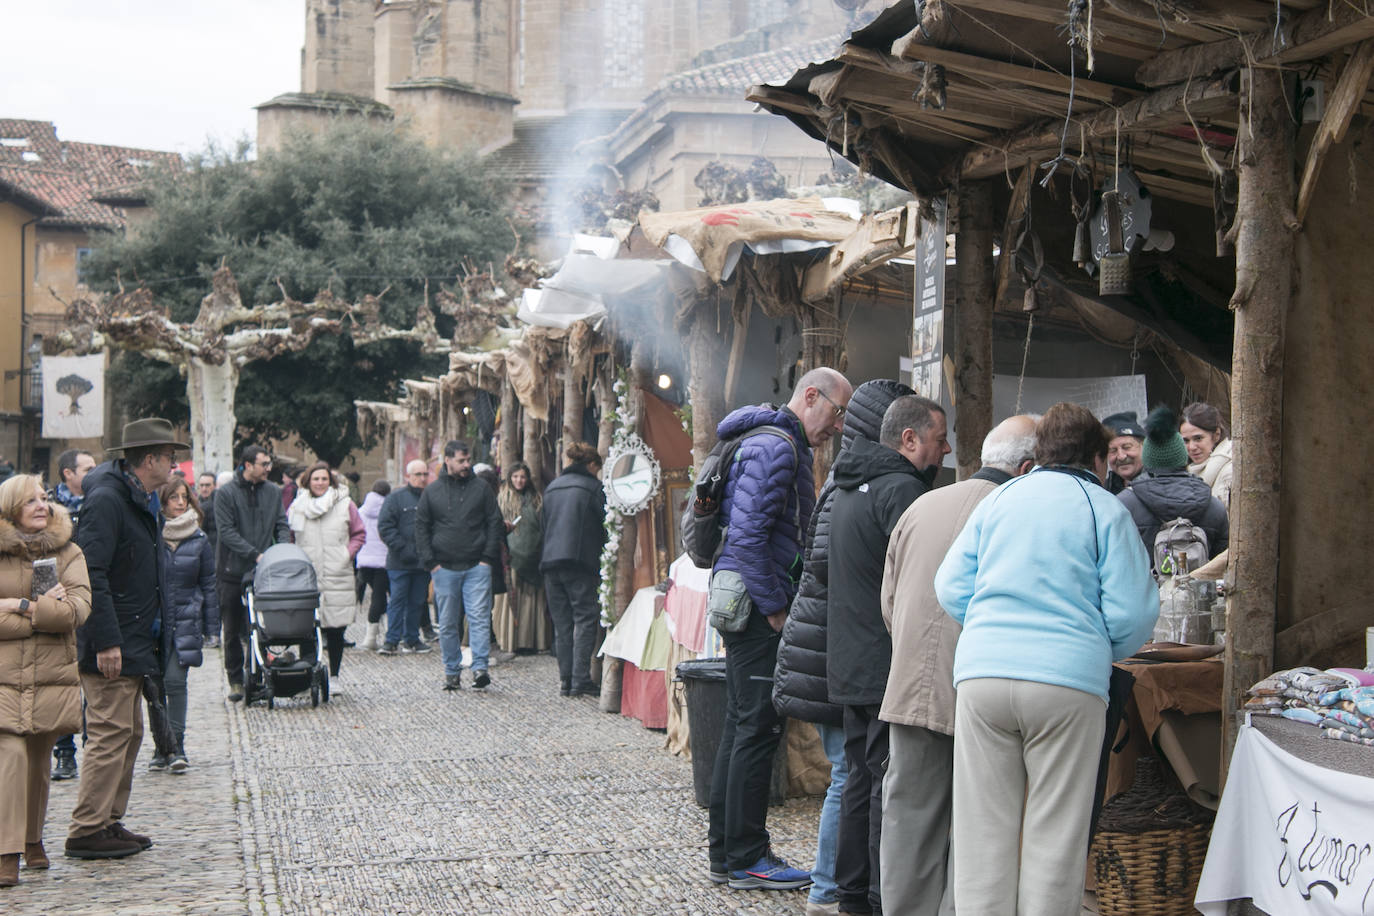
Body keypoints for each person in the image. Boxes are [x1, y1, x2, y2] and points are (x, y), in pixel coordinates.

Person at [934, 402, 1158, 915]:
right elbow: (1131, 612)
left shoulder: (1000, 498)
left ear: (1039, 454)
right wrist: (1096, 645)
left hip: (984, 675)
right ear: (1098, 459)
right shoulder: (1104, 508)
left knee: (982, 829)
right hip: (1067, 682)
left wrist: (993, 626)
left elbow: (949, 586)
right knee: (1054, 832)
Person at [878, 415, 1038, 916]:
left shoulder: (923, 504)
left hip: (910, 686)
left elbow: (888, 602)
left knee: (908, 818)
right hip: (983, 690)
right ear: (1029, 466)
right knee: (980, 826)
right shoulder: (1022, 511)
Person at [708, 367, 852, 892]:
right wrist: (776, 609)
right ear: (810, 396)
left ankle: (729, 854)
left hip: (741, 601)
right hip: (756, 607)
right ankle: (746, 857)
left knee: (742, 726)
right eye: (837, 412)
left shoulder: (769, 441)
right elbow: (747, 539)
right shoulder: (778, 449)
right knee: (756, 729)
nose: (838, 426)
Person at [773, 379, 914, 916]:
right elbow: (832, 571)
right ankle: (829, 890)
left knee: (850, 773)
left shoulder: (844, 480)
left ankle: (835, 887)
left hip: (828, 650)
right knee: (849, 776)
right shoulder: (855, 486)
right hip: (835, 653)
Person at [827, 394, 949, 915]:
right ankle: (876, 897)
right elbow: (919, 579)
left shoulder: (850, 484)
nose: (946, 451)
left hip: (852, 656)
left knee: (861, 777)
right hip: (882, 660)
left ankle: (852, 893)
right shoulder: (900, 489)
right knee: (884, 782)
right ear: (909, 439)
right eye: (940, 440)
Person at [67, 417, 188, 859]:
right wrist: (106, 640)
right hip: (113, 638)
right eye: (170, 456)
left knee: (129, 732)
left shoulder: (139, 497)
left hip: (135, 635)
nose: (175, 463)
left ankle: (108, 820)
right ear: (150, 459)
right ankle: (86, 828)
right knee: (109, 732)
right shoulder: (107, 499)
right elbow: (91, 572)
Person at [0, 475, 92, 885]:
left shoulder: (68, 551)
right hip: (3, 677)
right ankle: (7, 850)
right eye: (31, 500)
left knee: (38, 759)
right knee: (12, 755)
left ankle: (34, 838)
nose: (42, 505)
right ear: (10, 508)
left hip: (50, 674)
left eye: (45, 498)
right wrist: (37, 607)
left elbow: (76, 611)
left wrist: (17, 610)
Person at [416, 441, 503, 691]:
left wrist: (487, 558)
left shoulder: (481, 489)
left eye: (468, 460)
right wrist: (431, 562)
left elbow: (494, 522)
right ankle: (452, 671)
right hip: (444, 567)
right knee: (448, 622)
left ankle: (479, 669)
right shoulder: (432, 492)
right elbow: (421, 527)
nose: (466, 465)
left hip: (477, 565)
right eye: (461, 461)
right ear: (448, 461)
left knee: (478, 618)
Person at [148, 476, 218, 775]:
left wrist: (211, 626)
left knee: (176, 682)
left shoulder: (199, 540)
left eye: (184, 497)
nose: (180, 502)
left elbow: (209, 584)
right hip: (154, 622)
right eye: (173, 497)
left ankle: (176, 745)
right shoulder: (150, 535)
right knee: (154, 688)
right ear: (162, 501)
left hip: (186, 619)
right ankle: (161, 746)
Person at [215, 445, 291, 703]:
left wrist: (280, 551)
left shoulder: (273, 492)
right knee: (233, 629)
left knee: (259, 627)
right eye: (264, 464)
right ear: (248, 465)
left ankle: (257, 675)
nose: (269, 468)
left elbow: (281, 524)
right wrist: (254, 554)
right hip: (232, 571)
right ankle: (235, 680)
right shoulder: (225, 493)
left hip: (263, 571)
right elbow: (226, 532)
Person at [287, 462, 365, 692]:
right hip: (307, 573)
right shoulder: (297, 507)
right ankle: (308, 674)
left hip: (337, 572)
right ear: (308, 482)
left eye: (324, 479)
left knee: (336, 630)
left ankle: (334, 676)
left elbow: (359, 533)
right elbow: (289, 535)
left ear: (330, 481)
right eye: (316, 479)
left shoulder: (345, 504)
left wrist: (346, 554)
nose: (320, 483)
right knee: (307, 628)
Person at [1118, 406, 1228, 564]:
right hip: (1198, 587)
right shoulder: (1214, 506)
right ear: (1182, 457)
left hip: (1146, 587)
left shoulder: (1124, 504)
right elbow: (1222, 563)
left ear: (1147, 458)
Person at [539, 443, 607, 697]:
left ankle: (565, 680)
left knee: (562, 623)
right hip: (579, 561)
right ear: (591, 465)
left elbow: (543, 526)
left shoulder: (552, 487)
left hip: (550, 562)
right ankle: (580, 679)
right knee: (585, 618)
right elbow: (605, 524)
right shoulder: (593, 488)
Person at [46, 448, 95, 783]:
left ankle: (94, 748)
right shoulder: (47, 508)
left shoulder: (101, 502)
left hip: (93, 600)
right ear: (68, 473)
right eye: (87, 467)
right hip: (60, 602)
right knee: (63, 685)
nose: (95, 472)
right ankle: (64, 753)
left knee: (95, 684)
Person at [377, 461, 434, 656]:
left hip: (423, 562)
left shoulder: (431, 498)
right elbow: (385, 527)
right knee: (397, 601)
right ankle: (391, 640)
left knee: (417, 602)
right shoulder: (395, 499)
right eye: (418, 474)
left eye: (425, 474)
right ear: (408, 476)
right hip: (400, 561)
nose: (422, 478)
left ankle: (411, 638)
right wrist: (403, 549)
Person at [496, 462, 548, 654]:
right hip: (511, 557)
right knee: (513, 599)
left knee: (531, 601)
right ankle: (512, 641)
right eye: (516, 476)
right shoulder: (503, 499)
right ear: (510, 478)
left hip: (533, 556)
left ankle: (532, 640)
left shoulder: (536, 499)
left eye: (523, 477)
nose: (519, 480)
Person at [356, 479, 391, 651]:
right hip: (383, 560)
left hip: (364, 560)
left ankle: (372, 635)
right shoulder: (389, 509)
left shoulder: (360, 511)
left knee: (378, 596)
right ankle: (374, 636)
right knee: (380, 596)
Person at [1181, 401, 1233, 504]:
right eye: (1186, 441)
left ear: (1216, 435)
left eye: (1198, 438)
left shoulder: (1231, 471)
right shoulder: (1184, 474)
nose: (1191, 447)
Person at [1101, 411, 1145, 494]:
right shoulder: (1106, 491)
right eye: (1113, 450)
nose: (1121, 456)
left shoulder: (1159, 483)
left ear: (1143, 446)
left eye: (1127, 447)